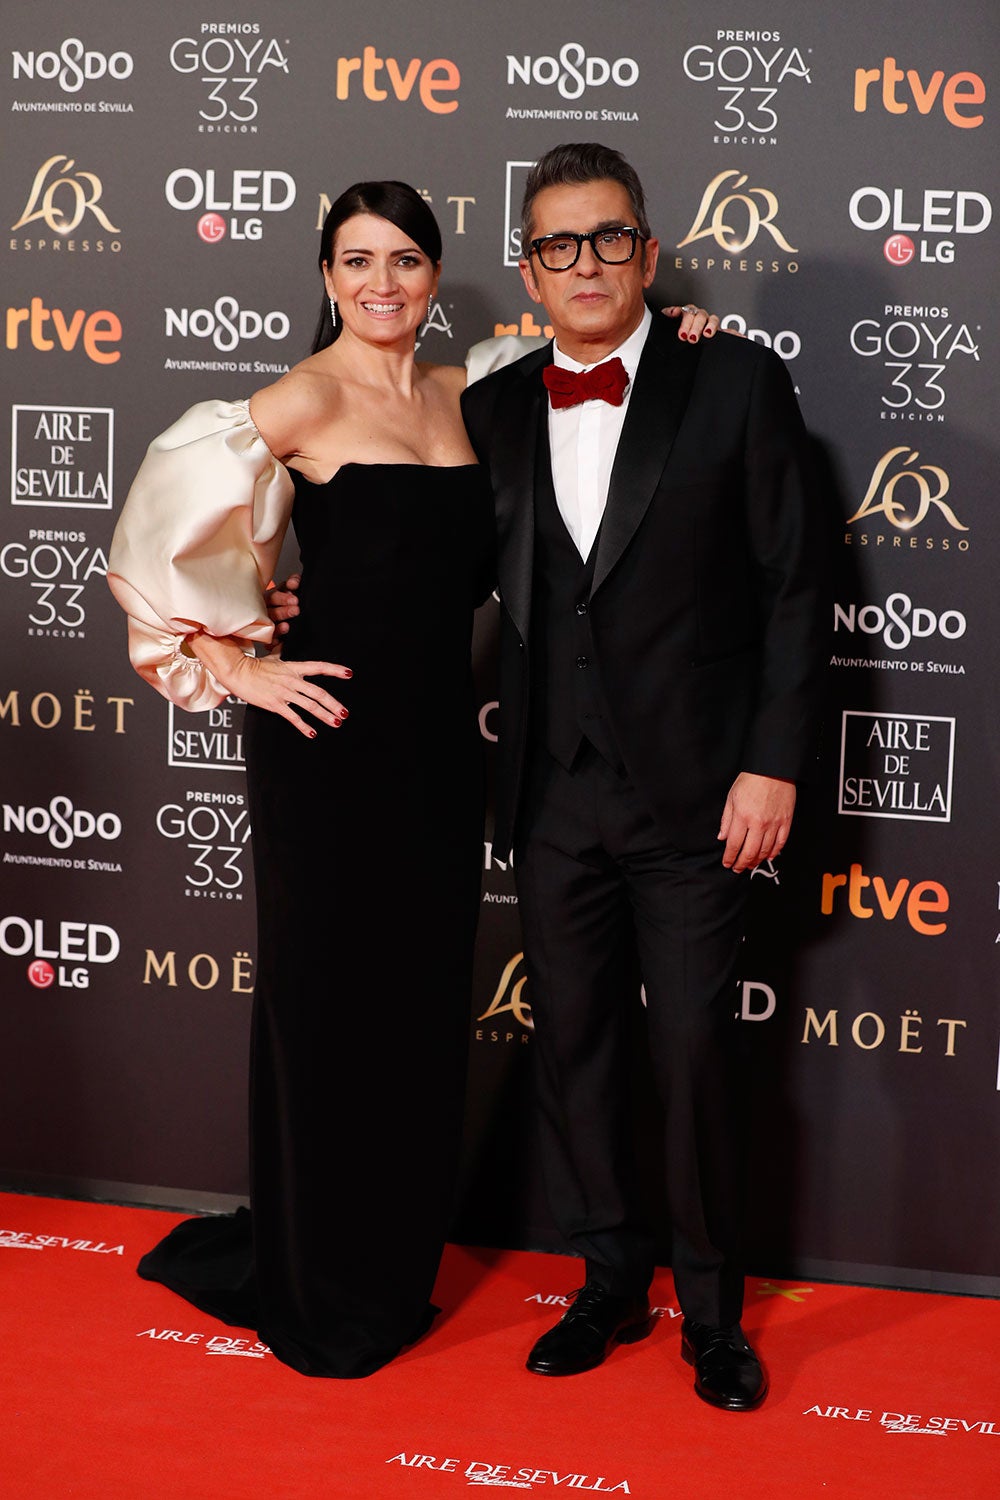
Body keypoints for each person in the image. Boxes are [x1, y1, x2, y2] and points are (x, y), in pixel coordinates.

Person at [107, 177, 719, 1379]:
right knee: (324, 1009)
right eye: (355, 261)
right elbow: (148, 548)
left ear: (437, 277)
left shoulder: (471, 393)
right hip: (324, 752)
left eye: (403, 261)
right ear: (326, 278)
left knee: (414, 1013)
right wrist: (235, 660)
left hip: (441, 751)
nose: (380, 283)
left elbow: (597, 355)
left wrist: (682, 333)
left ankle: (389, 1263)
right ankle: (316, 1277)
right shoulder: (294, 399)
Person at [459, 144, 827, 1411]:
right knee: (576, 1049)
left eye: (608, 238)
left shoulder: (729, 379)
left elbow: (792, 586)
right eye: (557, 245)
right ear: (527, 267)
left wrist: (770, 764)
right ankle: (608, 1281)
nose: (585, 265)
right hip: (549, 793)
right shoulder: (493, 409)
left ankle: (714, 1316)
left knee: (693, 1060)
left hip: (694, 795)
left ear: (648, 251)